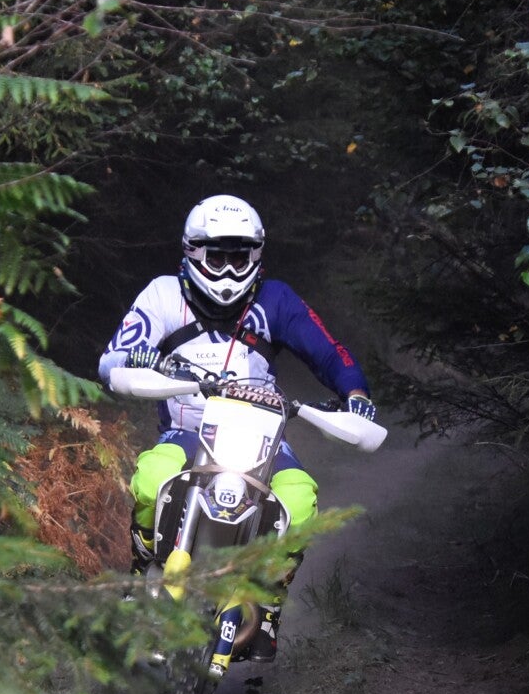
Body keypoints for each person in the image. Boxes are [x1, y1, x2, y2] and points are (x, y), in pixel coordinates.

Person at [98, 194, 375, 660]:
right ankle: (144, 570)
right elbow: (113, 357)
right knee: (150, 479)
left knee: (299, 502)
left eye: (239, 258)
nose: (228, 270)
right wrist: (134, 359)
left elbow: (330, 352)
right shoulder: (162, 295)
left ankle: (267, 601)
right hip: (186, 432)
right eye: (217, 257)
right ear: (193, 253)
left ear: (256, 257)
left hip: (261, 441)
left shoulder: (275, 299)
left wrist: (356, 394)